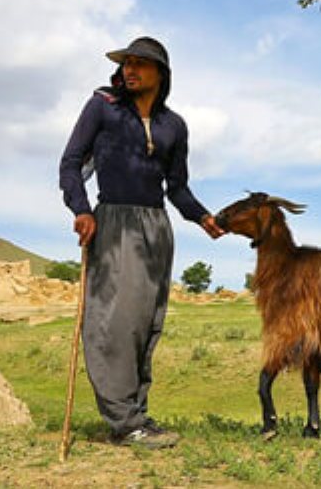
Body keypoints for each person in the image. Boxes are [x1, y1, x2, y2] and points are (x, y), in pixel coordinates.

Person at [59, 36, 224, 449]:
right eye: (127, 63)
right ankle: (123, 421)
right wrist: (81, 209)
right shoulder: (103, 106)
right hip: (114, 221)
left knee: (146, 324)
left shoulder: (174, 125)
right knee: (114, 322)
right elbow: (70, 163)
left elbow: (178, 187)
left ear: (160, 74)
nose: (130, 70)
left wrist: (203, 217)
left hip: (157, 227)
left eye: (140, 64)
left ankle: (136, 415)